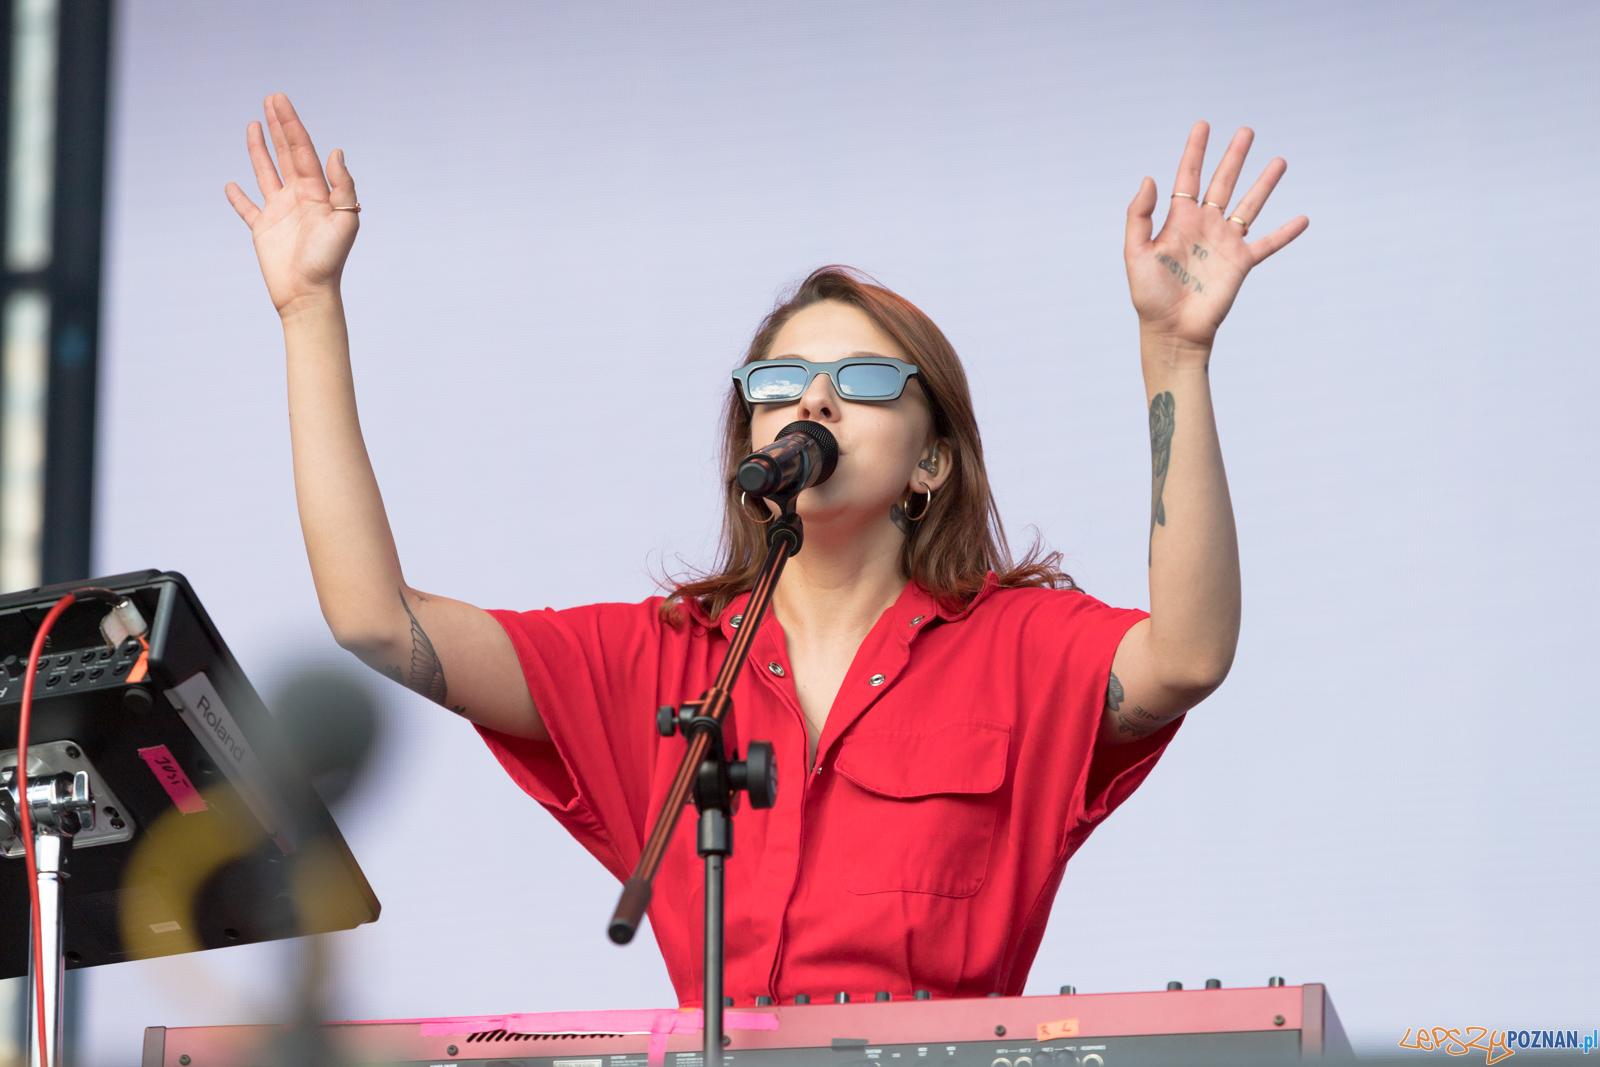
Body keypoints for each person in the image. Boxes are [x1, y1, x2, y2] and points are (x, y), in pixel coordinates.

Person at [226, 93, 1306, 1006]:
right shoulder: (655, 661)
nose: (817, 398)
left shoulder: (1021, 646)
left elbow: (1188, 655)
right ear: (750, 435)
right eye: (779, 384)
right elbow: (378, 619)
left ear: (931, 461)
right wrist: (309, 307)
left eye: (866, 380)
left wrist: (1174, 354)